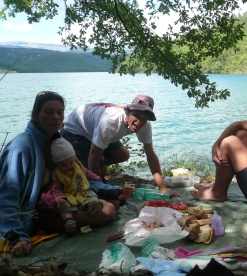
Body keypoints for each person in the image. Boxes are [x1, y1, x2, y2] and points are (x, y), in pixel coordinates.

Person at [0, 91, 116, 257]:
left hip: (63, 197)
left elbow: (78, 178)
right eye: (48, 112)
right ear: (35, 115)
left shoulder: (56, 141)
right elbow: (6, 197)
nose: (56, 117)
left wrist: (112, 190)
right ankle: (59, 222)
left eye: (60, 112)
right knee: (108, 210)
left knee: (114, 201)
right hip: (38, 211)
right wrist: (16, 236)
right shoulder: (21, 149)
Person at [61, 95, 180, 197]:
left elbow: (151, 156)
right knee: (98, 171)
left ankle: (96, 166)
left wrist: (162, 188)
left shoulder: (145, 125)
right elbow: (93, 157)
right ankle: (92, 176)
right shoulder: (109, 123)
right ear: (127, 112)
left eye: (144, 118)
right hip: (76, 129)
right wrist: (103, 191)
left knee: (123, 155)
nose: (139, 122)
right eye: (136, 116)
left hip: (96, 130)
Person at [49, 137, 107, 235]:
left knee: (90, 194)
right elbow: (56, 189)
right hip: (67, 194)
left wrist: (96, 177)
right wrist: (59, 198)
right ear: (57, 164)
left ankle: (91, 205)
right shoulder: (57, 174)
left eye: (70, 163)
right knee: (64, 206)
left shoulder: (77, 165)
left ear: (74, 159)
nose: (68, 166)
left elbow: (86, 172)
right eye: (64, 165)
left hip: (81, 191)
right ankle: (69, 221)